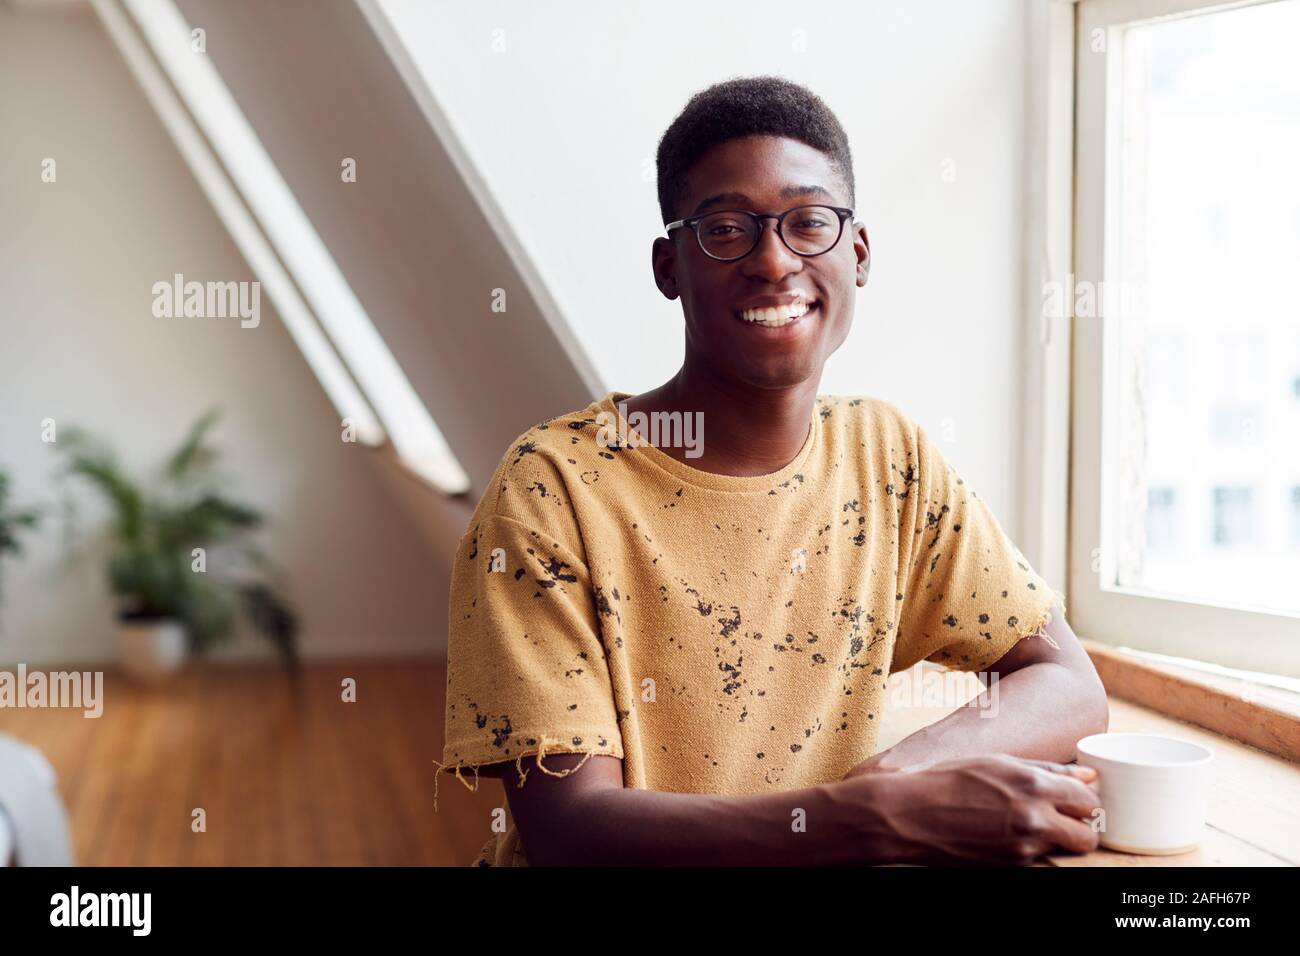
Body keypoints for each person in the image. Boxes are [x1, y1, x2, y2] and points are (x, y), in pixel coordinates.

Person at [437, 75, 1108, 866]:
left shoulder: (885, 458)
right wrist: (865, 822)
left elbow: (1068, 682)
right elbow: (571, 834)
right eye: (725, 229)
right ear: (669, 266)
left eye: (808, 223)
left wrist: (893, 780)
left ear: (856, 256)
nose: (773, 260)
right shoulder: (551, 488)